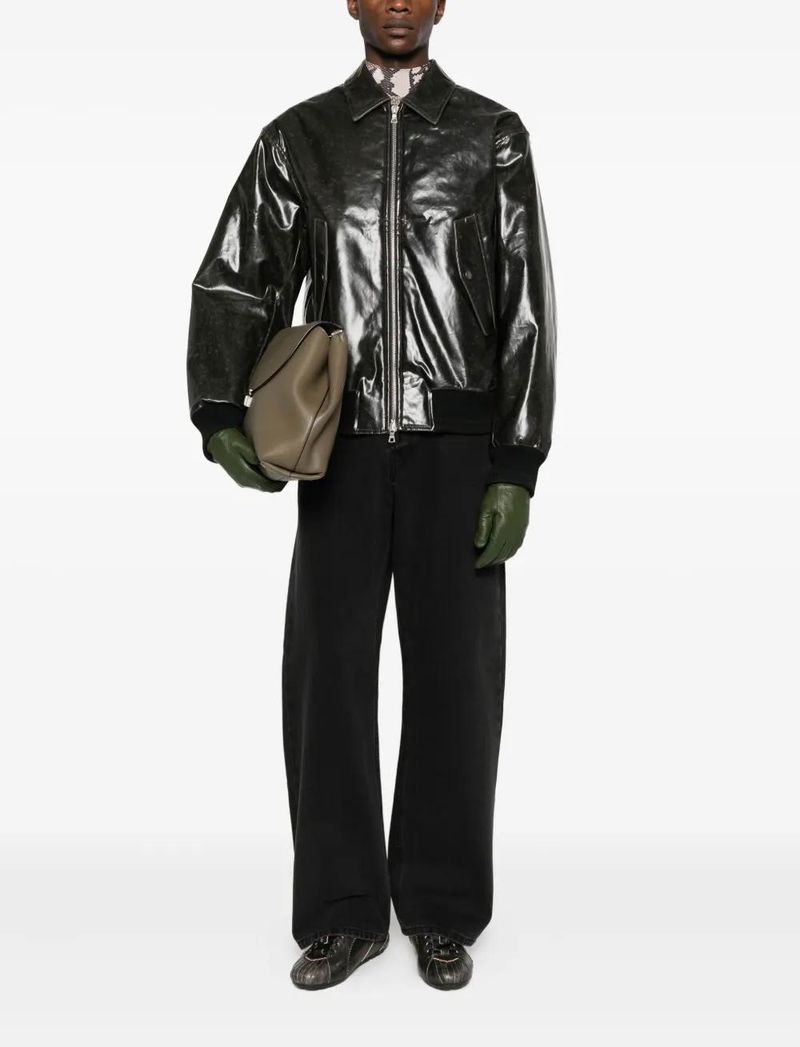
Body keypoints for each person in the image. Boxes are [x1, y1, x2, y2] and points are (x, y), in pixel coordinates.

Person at [186, 0, 556, 991]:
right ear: (350, 0)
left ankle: (440, 908)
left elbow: (525, 302)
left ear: (440, 4)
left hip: (458, 448)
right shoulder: (300, 138)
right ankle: (342, 912)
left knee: (455, 685)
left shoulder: (490, 136)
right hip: (337, 447)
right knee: (329, 684)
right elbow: (236, 276)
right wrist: (218, 409)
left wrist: (516, 464)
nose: (397, 2)